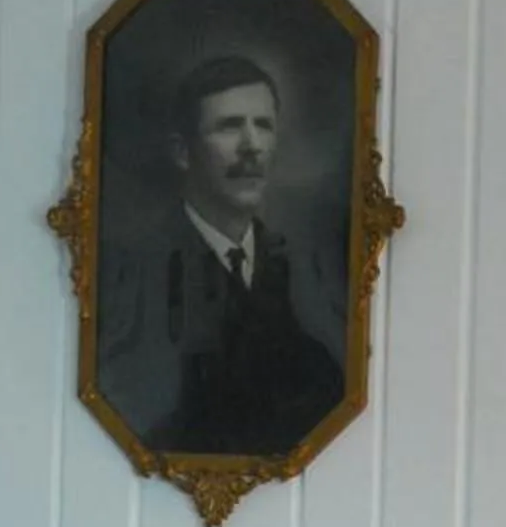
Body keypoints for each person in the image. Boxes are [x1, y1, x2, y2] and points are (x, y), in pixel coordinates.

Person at [97, 53, 347, 458]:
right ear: (183, 153)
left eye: (263, 126)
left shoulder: (307, 273)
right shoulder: (130, 272)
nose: (252, 147)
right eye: (230, 127)